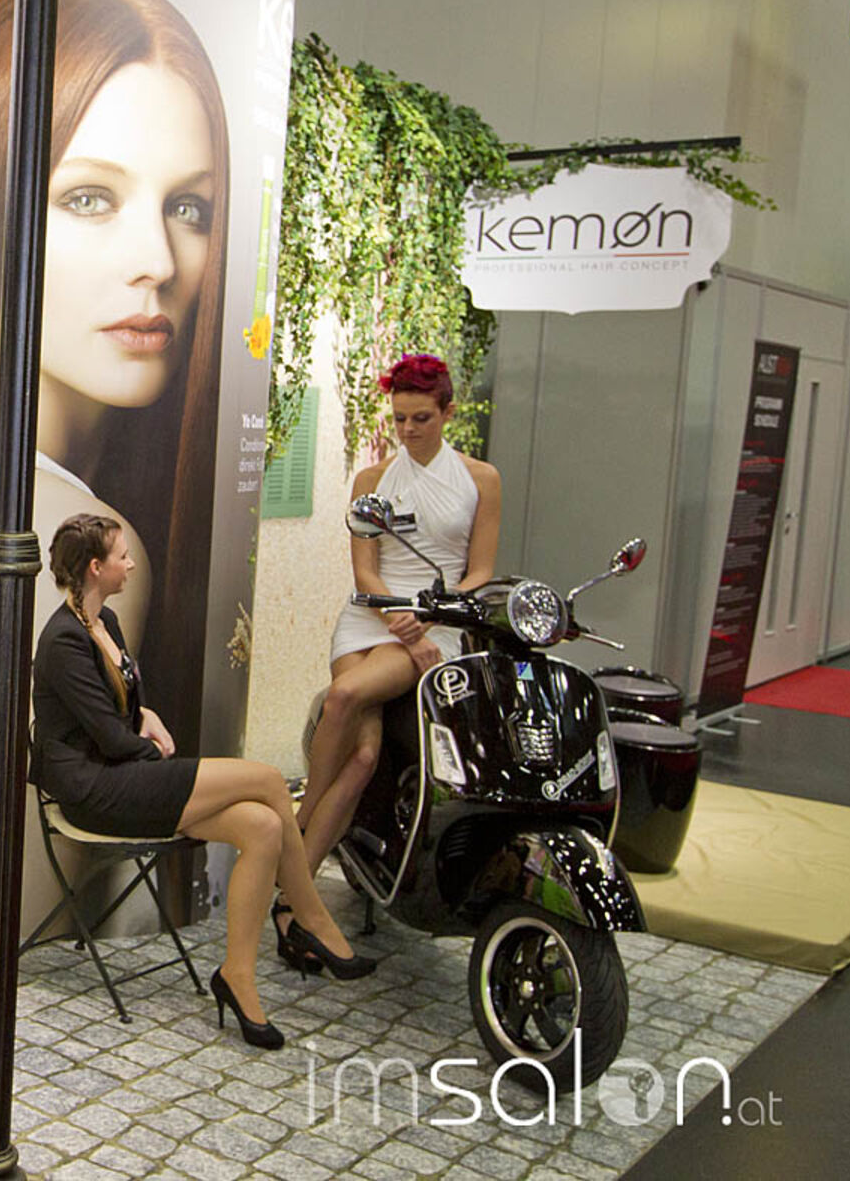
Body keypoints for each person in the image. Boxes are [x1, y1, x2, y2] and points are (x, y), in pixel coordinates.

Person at [0, 0, 226, 759]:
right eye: (90, 198)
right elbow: (44, 832)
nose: (158, 261)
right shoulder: (76, 539)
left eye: (187, 208)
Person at [32, 514, 374, 1052]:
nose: (131, 564)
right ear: (96, 568)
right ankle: (307, 916)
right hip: (96, 790)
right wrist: (152, 747)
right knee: (268, 781)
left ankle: (238, 977)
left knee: (262, 826)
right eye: (122, 556)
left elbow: (123, 708)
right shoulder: (63, 641)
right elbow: (110, 738)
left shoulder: (106, 622)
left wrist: (146, 717)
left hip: (127, 773)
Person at [293, 354, 502, 923]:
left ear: (448, 413)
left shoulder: (481, 479)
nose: (408, 430)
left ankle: (297, 832)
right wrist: (401, 622)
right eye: (400, 419)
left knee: (344, 697)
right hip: (371, 617)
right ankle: (296, 896)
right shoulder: (372, 481)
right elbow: (366, 573)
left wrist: (427, 618)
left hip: (437, 623)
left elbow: (481, 571)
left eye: (421, 418)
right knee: (362, 756)